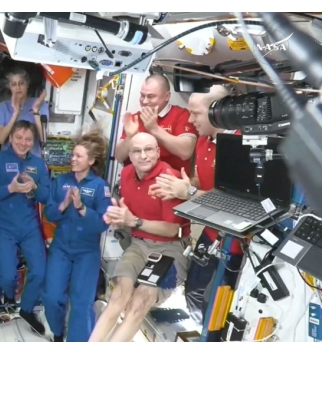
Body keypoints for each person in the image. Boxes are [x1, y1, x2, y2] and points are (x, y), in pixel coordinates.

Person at [147, 85, 243, 323]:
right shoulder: (203, 141)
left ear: (217, 112)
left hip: (232, 244)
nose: (190, 120)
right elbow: (203, 181)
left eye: (196, 113)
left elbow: (231, 201)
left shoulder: (241, 146)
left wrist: (188, 191)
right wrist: (182, 185)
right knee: (193, 290)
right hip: (210, 233)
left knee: (213, 302)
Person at [89, 132, 190, 342]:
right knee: (118, 296)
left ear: (158, 152)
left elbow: (171, 230)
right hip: (139, 244)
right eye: (137, 151)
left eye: (149, 150)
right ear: (130, 155)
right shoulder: (126, 174)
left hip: (170, 248)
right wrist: (118, 217)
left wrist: (133, 221)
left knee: (140, 301)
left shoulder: (168, 179)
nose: (143, 156)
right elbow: (128, 213)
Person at [42, 131, 112, 342]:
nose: (73, 159)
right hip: (61, 248)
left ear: (91, 161)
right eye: (72, 155)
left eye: (78, 156)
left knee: (81, 303)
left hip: (86, 252)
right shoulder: (61, 181)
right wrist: (63, 205)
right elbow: (49, 214)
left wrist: (81, 207)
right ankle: (57, 331)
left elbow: (102, 223)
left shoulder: (100, 186)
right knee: (52, 297)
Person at [0, 120, 51, 333]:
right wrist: (10, 188)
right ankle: (10, 298)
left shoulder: (39, 164)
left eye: (28, 139)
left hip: (29, 225)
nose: (23, 142)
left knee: (40, 271)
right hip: (5, 225)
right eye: (19, 137)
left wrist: (36, 186)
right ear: (10, 138)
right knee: (6, 275)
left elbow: (47, 196)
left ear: (33, 142)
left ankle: (27, 309)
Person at [114, 73, 197, 174]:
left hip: (169, 182)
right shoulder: (134, 118)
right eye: (142, 95)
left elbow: (186, 152)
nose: (144, 101)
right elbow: (119, 157)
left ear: (167, 96)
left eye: (150, 96)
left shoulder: (182, 115)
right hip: (136, 181)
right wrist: (129, 137)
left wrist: (154, 129)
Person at [0, 68, 49, 157]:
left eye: (21, 83)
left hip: (32, 159)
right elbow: (0, 139)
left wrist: (35, 110)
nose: (17, 88)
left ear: (27, 84)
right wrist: (15, 114)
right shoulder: (2, 106)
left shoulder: (41, 104)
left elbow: (44, 138)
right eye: (13, 84)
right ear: (9, 87)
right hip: (8, 159)